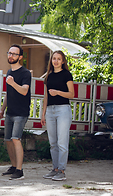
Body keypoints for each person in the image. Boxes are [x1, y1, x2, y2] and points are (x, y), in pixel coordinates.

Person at [0, 44, 31, 180]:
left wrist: (12, 83)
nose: (10, 56)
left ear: (20, 57)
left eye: (14, 54)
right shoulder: (9, 72)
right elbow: (8, 93)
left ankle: (19, 170)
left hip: (21, 113)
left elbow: (24, 91)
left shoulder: (25, 73)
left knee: (16, 139)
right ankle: (13, 166)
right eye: (9, 53)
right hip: (10, 112)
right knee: (8, 140)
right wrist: (2, 108)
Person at [40, 50, 74, 181]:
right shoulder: (48, 76)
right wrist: (43, 114)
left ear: (63, 61)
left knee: (62, 142)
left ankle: (62, 170)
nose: (56, 61)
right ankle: (54, 169)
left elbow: (71, 94)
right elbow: (46, 96)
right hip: (50, 111)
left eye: (59, 59)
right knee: (53, 142)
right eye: (54, 58)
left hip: (63, 110)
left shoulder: (66, 75)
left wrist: (58, 92)